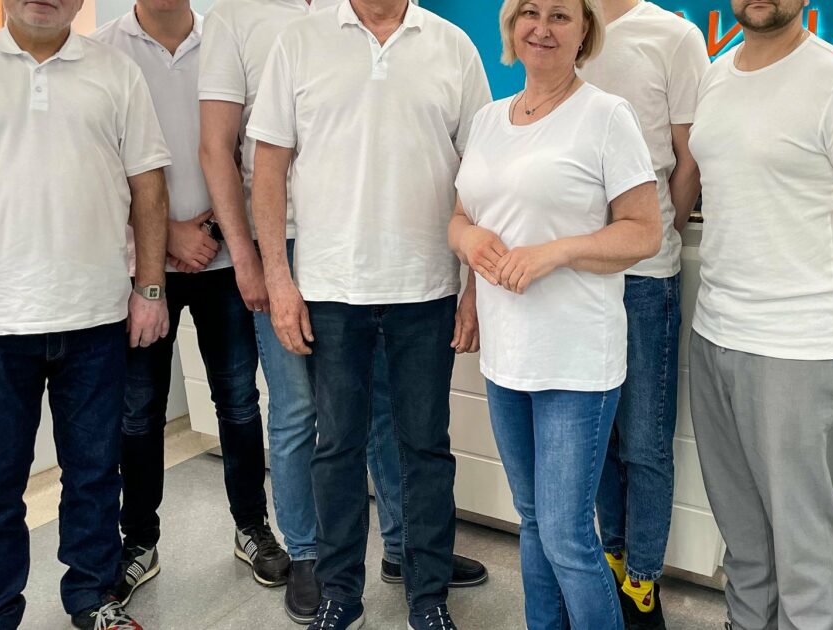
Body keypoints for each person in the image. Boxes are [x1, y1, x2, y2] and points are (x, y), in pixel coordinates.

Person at [198, 0, 487, 622]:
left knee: (425, 448)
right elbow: (268, 168)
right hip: (330, 289)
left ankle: (427, 595)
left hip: (425, 287)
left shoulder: (453, 46)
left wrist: (473, 288)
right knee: (336, 449)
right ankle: (339, 594)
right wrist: (279, 279)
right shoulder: (300, 42)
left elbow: (481, 173)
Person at [0, 0, 173, 628]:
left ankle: (93, 596)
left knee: (94, 474)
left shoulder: (115, 72)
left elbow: (148, 186)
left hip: (95, 318)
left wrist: (149, 289)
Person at [687, 0, 833, 628]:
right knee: (743, 537)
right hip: (715, 333)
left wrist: (818, 284)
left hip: (798, 348)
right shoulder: (716, 76)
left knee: (802, 548)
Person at [450, 0, 661, 627]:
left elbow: (643, 232)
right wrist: (468, 239)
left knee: (568, 534)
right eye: (529, 12)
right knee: (534, 520)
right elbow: (460, 215)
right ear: (511, 26)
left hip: (575, 359)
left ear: (585, 30)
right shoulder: (489, 119)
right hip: (506, 355)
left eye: (561, 16)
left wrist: (559, 251)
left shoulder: (605, 116)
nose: (542, 28)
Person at [92, 0, 288, 605]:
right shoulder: (103, 50)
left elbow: (242, 151)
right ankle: (138, 541)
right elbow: (97, 168)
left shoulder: (222, 40)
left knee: (238, 400)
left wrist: (216, 233)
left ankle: (252, 527)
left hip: (225, 259)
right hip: (141, 266)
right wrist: (166, 234)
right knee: (138, 411)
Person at [577, 1, 707, 626]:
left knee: (646, 441)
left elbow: (689, 156)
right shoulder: (566, 25)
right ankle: (610, 558)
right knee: (597, 436)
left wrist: (654, 232)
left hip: (645, 278)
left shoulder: (673, 36)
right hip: (577, 274)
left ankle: (643, 581)